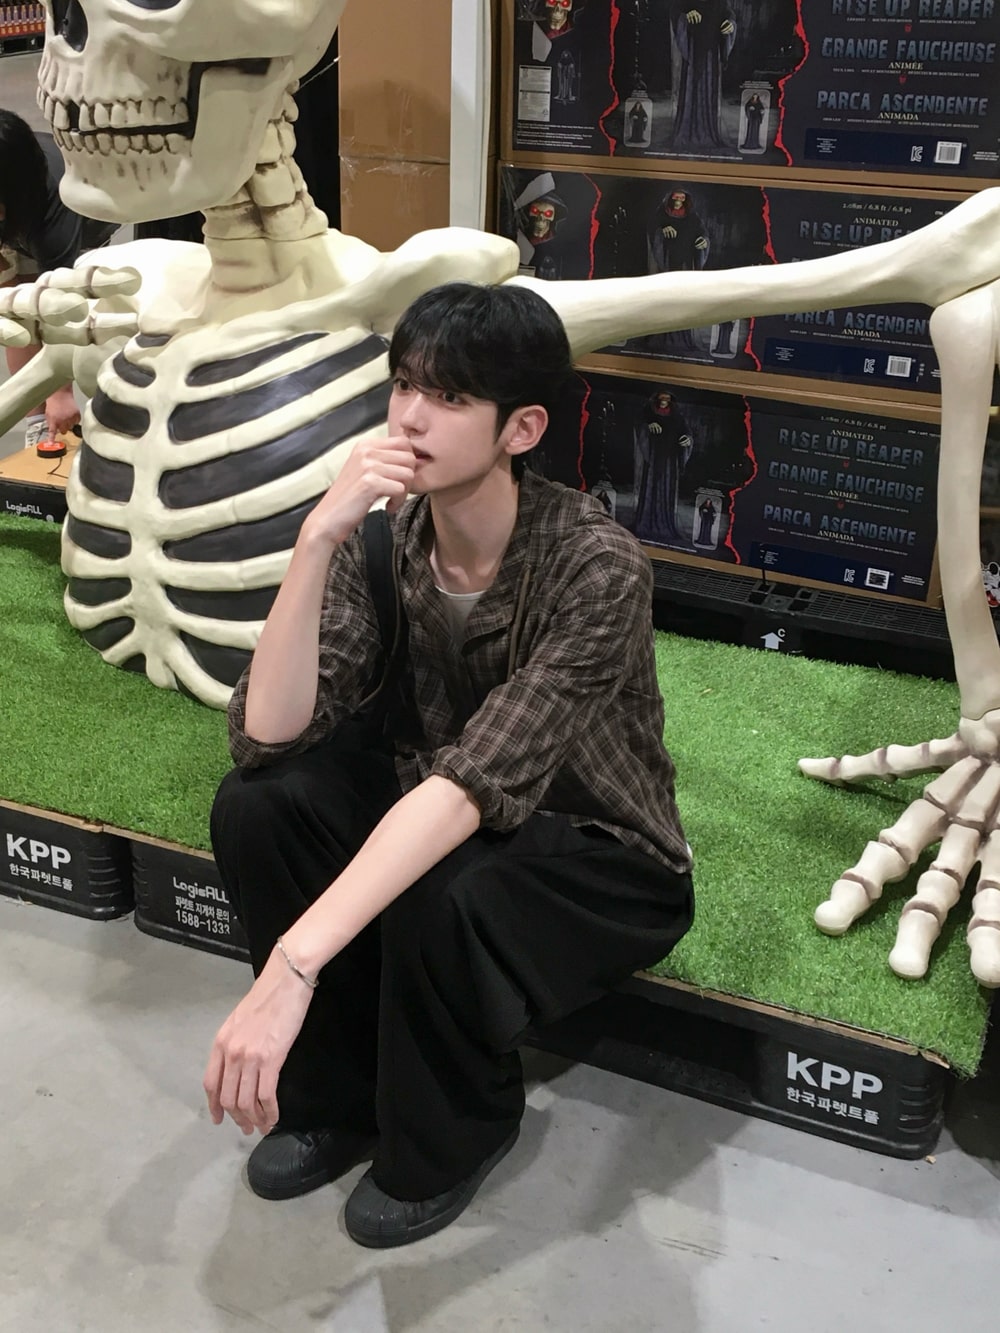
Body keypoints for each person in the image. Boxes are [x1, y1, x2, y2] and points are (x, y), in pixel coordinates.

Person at [205, 282, 694, 1248]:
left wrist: (293, 963)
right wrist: (316, 538)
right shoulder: (387, 537)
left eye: (451, 396)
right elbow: (267, 732)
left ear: (522, 428)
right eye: (403, 384)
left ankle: (450, 1135)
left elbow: (476, 781)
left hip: (596, 850)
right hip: (434, 792)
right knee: (260, 803)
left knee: (446, 882)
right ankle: (334, 1095)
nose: (411, 417)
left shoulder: (597, 567)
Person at [0, 107, 115, 450]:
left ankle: (62, 409)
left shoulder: (59, 201)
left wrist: (60, 392)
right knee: (15, 310)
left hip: (77, 222)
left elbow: (61, 306)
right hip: (18, 216)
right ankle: (36, 422)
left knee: (50, 304)